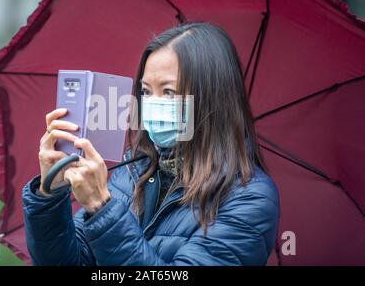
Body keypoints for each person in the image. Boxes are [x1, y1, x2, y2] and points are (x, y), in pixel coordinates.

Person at [22, 22, 280, 265]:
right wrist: (50, 194)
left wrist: (102, 209)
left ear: (210, 99)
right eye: (145, 92)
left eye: (168, 91)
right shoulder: (131, 173)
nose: (152, 104)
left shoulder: (249, 199)